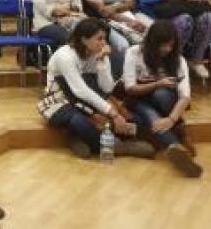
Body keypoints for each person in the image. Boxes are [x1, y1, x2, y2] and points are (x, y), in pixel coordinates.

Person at [38, 18, 155, 159]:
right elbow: (79, 90)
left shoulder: (98, 53)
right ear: (84, 40)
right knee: (78, 121)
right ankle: (117, 147)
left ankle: (77, 138)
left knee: (133, 120)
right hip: (63, 98)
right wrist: (112, 113)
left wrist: (102, 61)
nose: (104, 43)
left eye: (105, 39)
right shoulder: (65, 56)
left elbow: (107, 88)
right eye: (99, 38)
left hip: (89, 97)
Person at [122, 21, 202, 177]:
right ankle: (176, 144)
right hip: (138, 99)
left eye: (171, 45)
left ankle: (175, 143)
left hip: (165, 102)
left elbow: (185, 96)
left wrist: (171, 119)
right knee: (151, 116)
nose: (167, 49)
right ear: (152, 42)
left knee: (162, 95)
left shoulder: (178, 60)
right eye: (163, 45)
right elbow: (130, 88)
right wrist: (158, 83)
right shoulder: (134, 53)